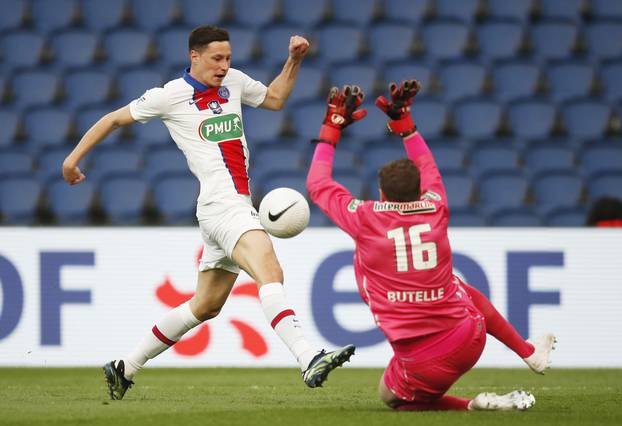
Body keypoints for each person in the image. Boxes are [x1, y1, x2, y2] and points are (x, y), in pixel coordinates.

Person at [62, 25, 354, 400]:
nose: (224, 65)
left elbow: (276, 99)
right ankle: (308, 355)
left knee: (206, 305)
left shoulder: (233, 81)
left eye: (228, 58)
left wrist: (294, 60)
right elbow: (113, 119)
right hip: (223, 204)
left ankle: (125, 366)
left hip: (226, 207)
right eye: (217, 58)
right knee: (271, 272)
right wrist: (72, 161)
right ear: (194, 57)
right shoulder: (169, 95)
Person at [306, 82, 556, 411]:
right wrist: (405, 126)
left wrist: (331, 129)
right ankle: (527, 352)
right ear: (421, 189)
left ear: (382, 193)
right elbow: (429, 166)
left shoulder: (365, 217)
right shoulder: (436, 206)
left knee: (390, 396)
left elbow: (318, 183)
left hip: (425, 358)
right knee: (457, 285)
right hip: (471, 332)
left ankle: (473, 405)